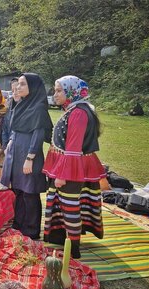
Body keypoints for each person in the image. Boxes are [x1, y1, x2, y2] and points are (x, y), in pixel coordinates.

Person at [42, 75, 105, 259]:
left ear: (72, 91)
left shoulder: (78, 113)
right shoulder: (75, 109)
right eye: (55, 90)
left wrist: (62, 175)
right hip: (69, 165)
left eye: (59, 90)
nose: (56, 94)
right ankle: (65, 240)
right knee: (65, 204)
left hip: (71, 168)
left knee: (70, 206)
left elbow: (73, 148)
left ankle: (74, 248)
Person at [0, 73, 53, 240]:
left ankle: (31, 229)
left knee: (30, 192)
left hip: (29, 153)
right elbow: (15, 127)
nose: (18, 87)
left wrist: (30, 158)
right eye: (18, 84)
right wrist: (10, 142)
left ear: (33, 87)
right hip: (16, 150)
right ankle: (19, 224)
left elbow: (38, 133)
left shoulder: (38, 107)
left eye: (22, 84)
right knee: (18, 190)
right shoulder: (22, 104)